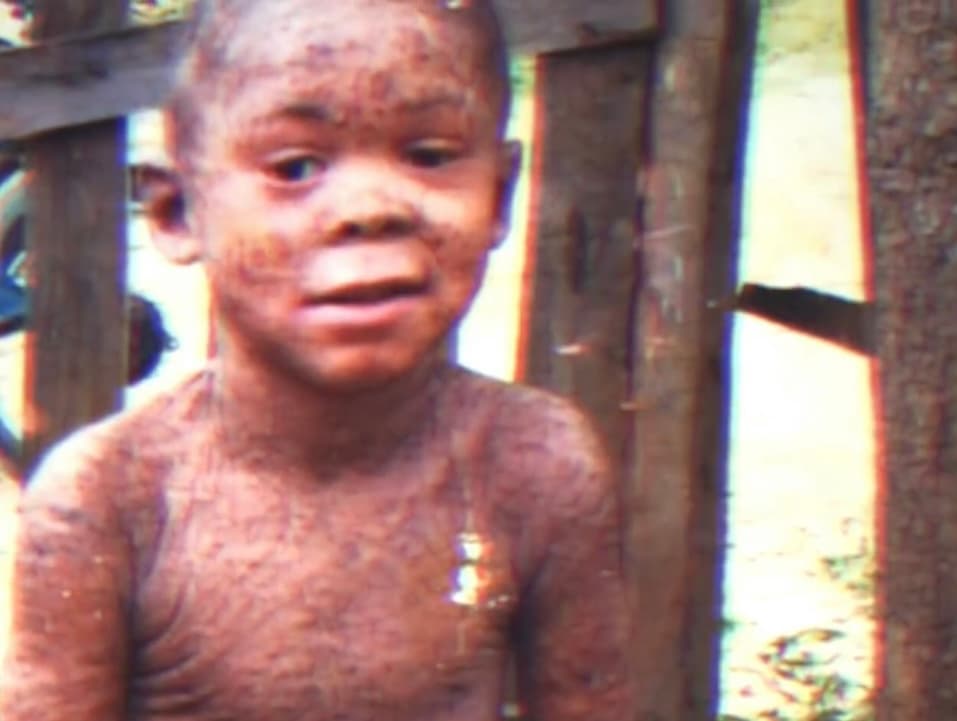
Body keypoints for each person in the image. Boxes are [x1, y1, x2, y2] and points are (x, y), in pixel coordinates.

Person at [0, 1, 637, 719]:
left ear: (497, 195)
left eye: (429, 156)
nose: (371, 206)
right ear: (177, 210)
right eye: (295, 167)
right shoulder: (111, 498)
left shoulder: (536, 465)